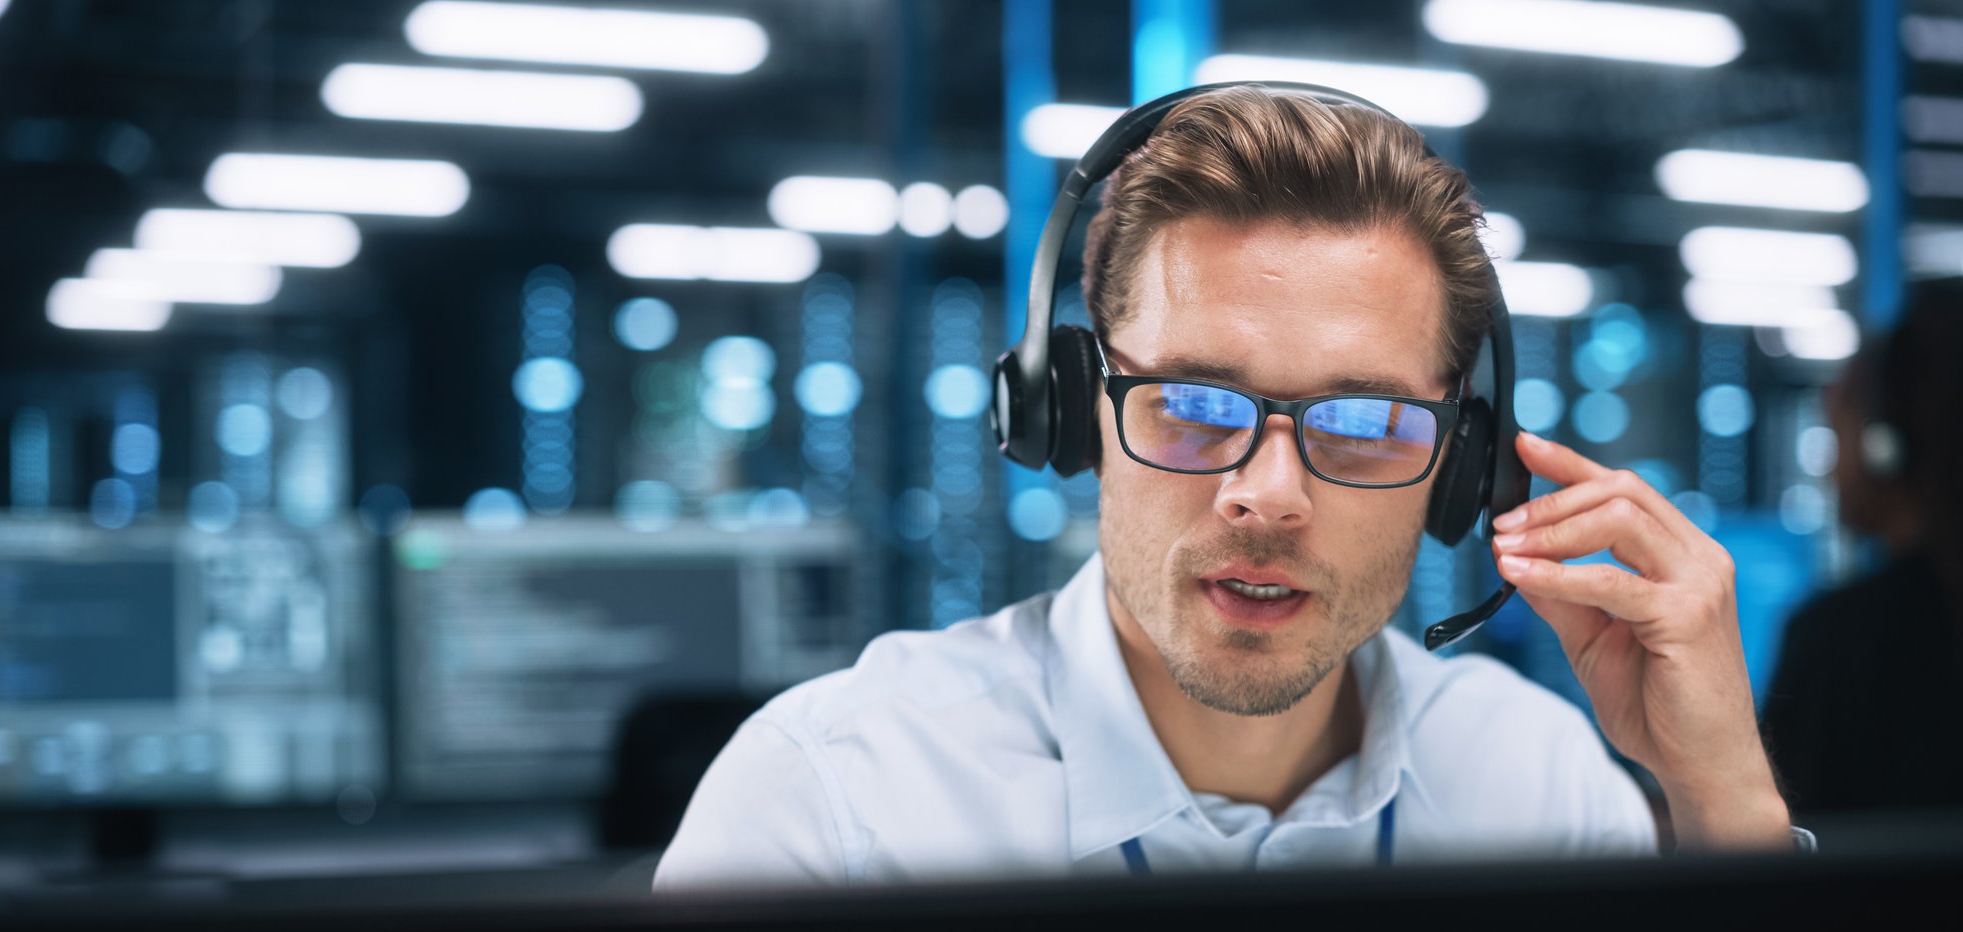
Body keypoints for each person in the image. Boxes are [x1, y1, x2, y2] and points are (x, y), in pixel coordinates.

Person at [656, 85, 1799, 889]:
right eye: (1196, 406)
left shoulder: (1538, 786)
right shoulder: (833, 802)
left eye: (1360, 424)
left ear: (1458, 467)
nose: (1267, 497)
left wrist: (1726, 808)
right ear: (1069, 413)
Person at [1762, 279, 1963, 816]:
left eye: (1838, 432)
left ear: (1884, 449)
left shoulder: (1840, 639)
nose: (1829, 470)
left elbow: (1773, 848)